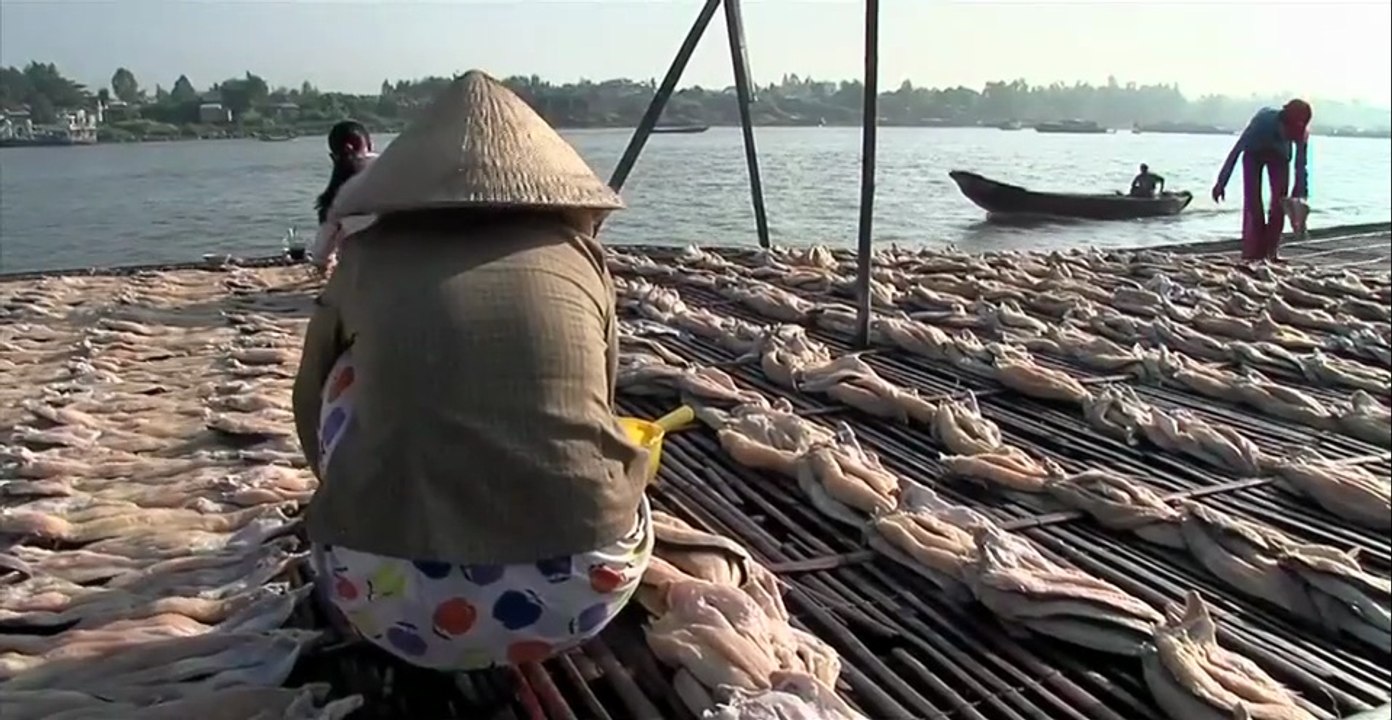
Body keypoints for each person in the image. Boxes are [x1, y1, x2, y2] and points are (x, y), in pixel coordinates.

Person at [292, 70, 650, 672]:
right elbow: (605, 394)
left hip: (388, 603)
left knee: (346, 373)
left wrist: (341, 490)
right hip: (582, 593)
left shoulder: (367, 256)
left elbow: (309, 400)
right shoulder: (582, 256)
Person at [1211, 99, 1312, 262]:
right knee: (1253, 204)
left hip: (1280, 156)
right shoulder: (1261, 124)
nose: (1293, 136)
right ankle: (1253, 251)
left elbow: (1301, 164)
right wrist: (1221, 182)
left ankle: (1271, 251)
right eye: (1290, 133)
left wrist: (1299, 195)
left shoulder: (1300, 133)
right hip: (1254, 153)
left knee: (1280, 203)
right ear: (1283, 125)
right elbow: (1236, 150)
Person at [310, 120, 377, 274]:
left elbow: (321, 254)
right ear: (370, 145)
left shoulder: (337, 196)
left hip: (364, 274)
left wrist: (322, 265)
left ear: (333, 157)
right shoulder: (391, 167)